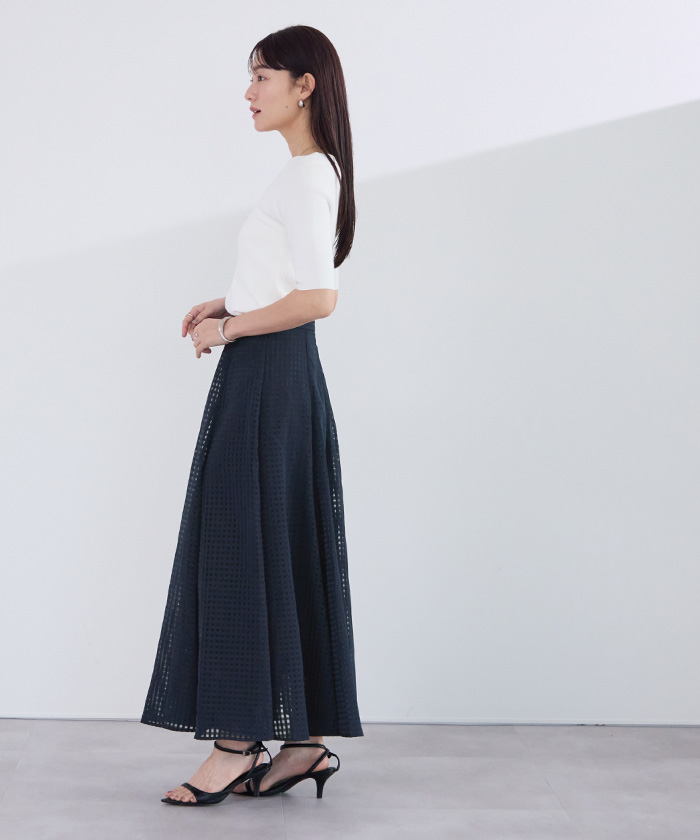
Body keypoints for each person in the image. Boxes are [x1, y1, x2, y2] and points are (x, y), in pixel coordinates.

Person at [139, 25, 364, 806]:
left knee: (238, 549)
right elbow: (288, 282)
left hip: (268, 378)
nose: (248, 92)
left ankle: (236, 745)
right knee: (276, 543)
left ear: (305, 86)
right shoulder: (311, 172)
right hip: (279, 376)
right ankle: (303, 744)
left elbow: (319, 297)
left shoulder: (305, 177)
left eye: (262, 76)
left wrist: (230, 327)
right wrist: (229, 300)